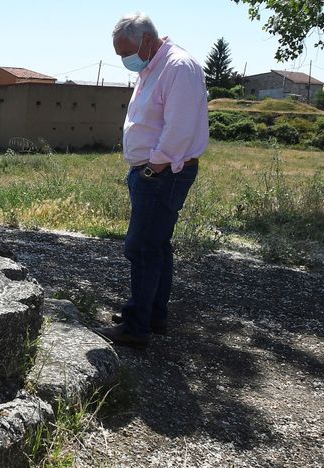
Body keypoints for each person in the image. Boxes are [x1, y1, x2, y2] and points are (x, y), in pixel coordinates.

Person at [94, 13, 209, 349]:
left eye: (125, 52)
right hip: (152, 172)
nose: (123, 60)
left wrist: (152, 168)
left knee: (141, 247)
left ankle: (136, 326)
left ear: (145, 39)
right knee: (157, 245)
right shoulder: (151, 67)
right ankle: (153, 314)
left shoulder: (178, 67)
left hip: (162, 173)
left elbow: (179, 129)